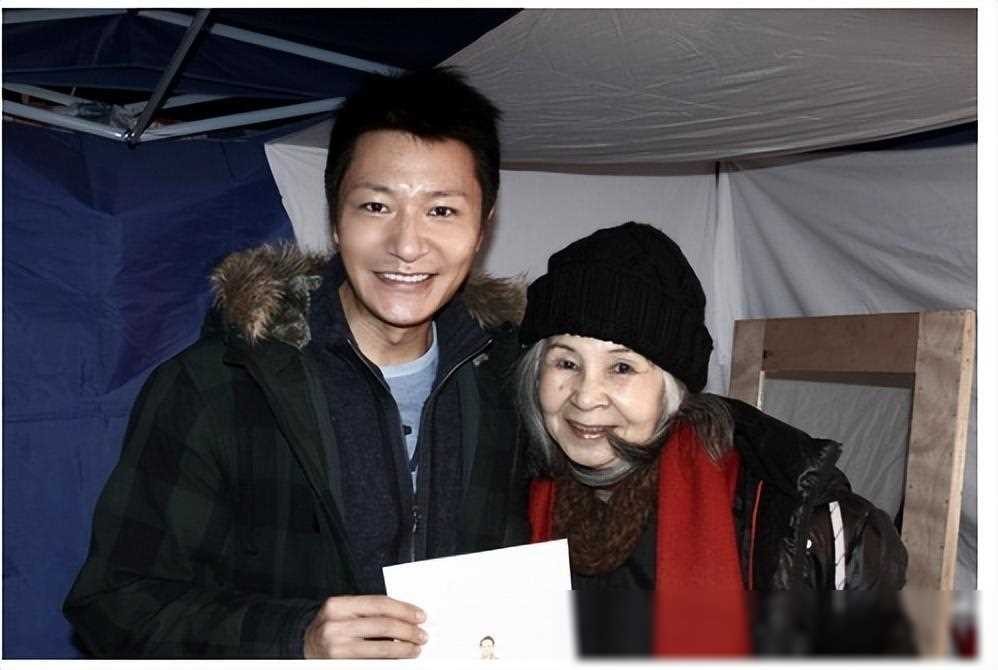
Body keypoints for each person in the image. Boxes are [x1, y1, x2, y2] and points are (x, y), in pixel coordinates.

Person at [63, 67, 529, 659]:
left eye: (442, 211)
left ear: (482, 227)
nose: (407, 245)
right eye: (376, 206)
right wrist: (293, 638)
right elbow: (114, 604)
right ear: (335, 219)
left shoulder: (508, 387)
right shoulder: (218, 386)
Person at [516, 221, 913, 656]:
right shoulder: (510, 497)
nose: (586, 397)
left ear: (672, 389)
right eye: (566, 363)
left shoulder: (807, 527)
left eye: (622, 367)